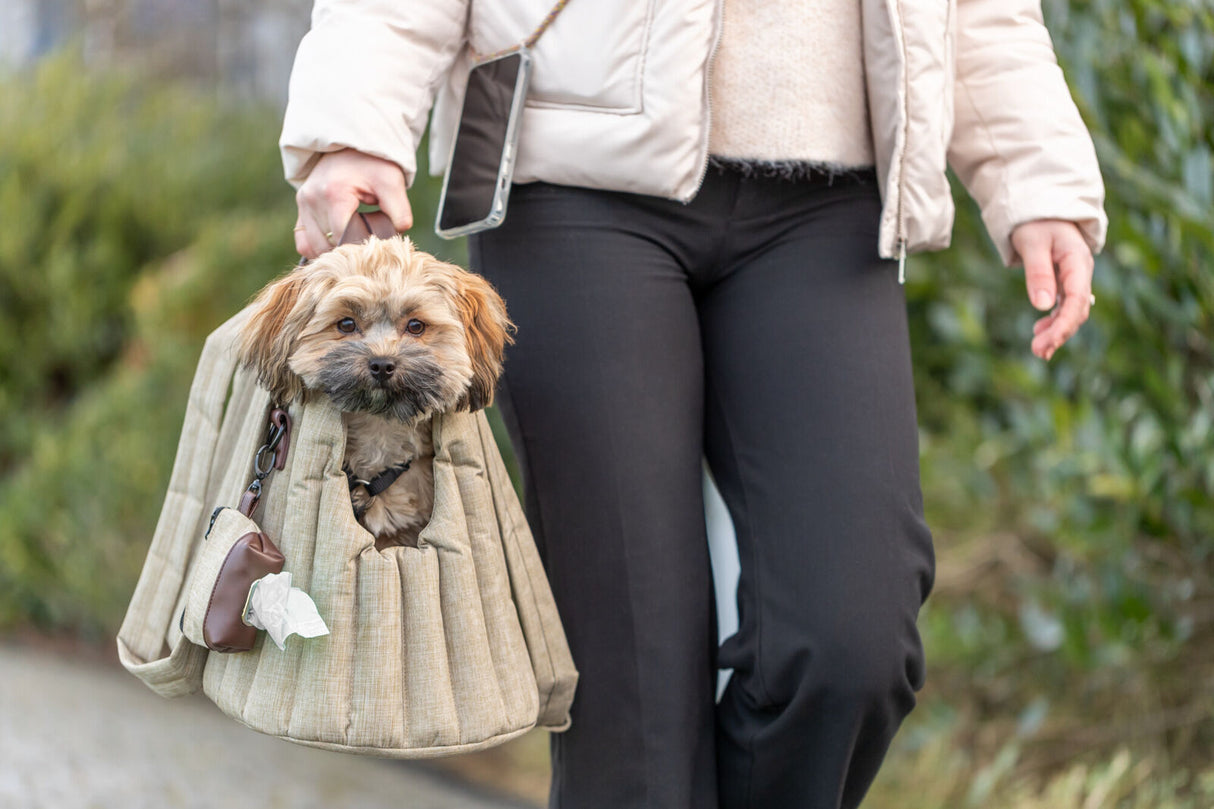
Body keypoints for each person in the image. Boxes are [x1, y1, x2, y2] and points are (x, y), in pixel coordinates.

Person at [280, 1, 1106, 807]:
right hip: (569, 175)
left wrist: (1036, 177)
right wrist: (352, 127)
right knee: (631, 704)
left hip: (832, 194)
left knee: (851, 649)